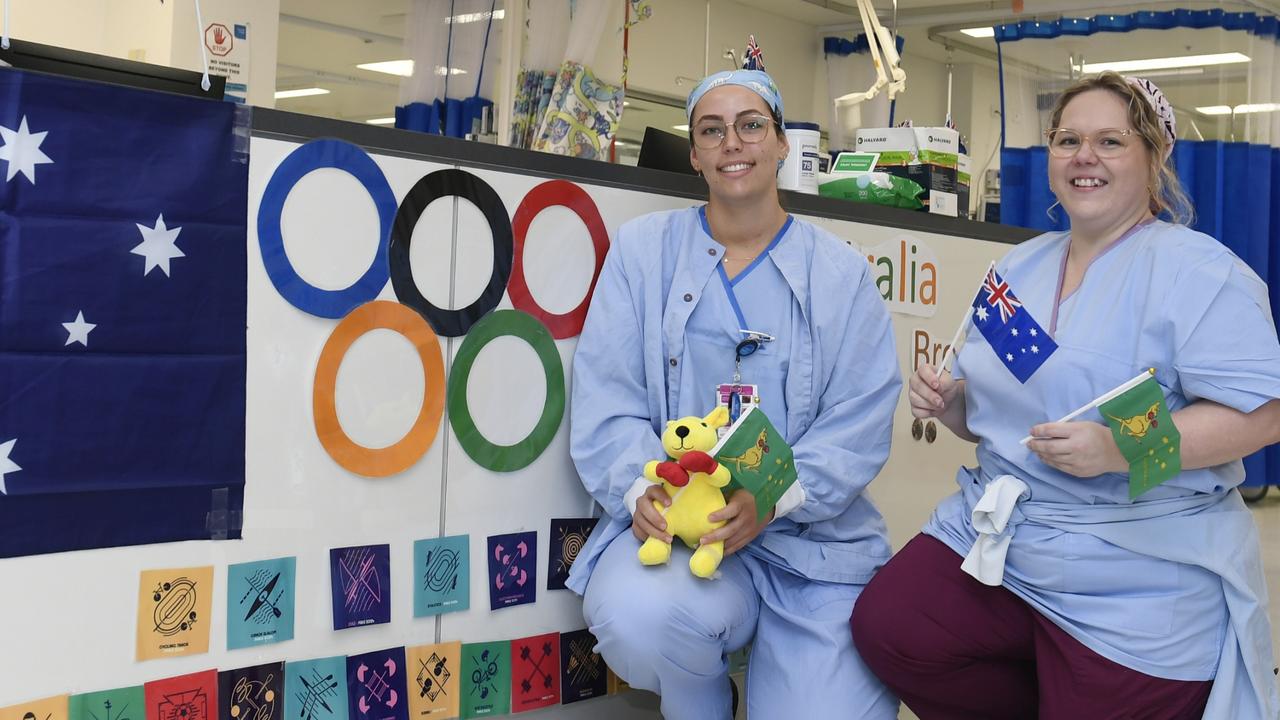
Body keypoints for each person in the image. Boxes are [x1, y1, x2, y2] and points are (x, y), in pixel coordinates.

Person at [852, 72, 1280, 719]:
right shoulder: (1019, 270)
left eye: (1111, 141)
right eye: (1068, 140)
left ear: (1154, 156)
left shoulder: (1202, 274)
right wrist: (952, 404)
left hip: (1138, 564)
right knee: (892, 627)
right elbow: (1002, 408)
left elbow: (1261, 417)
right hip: (1009, 540)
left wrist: (1118, 449)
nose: (1085, 156)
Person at [564, 67, 902, 720]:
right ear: (693, 154)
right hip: (691, 541)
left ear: (781, 144)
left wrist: (772, 497)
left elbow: (859, 417)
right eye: (711, 131)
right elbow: (608, 398)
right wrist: (643, 491)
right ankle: (702, 703)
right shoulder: (642, 254)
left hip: (812, 548)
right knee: (638, 616)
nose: (733, 143)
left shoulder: (841, 275)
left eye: (751, 126)